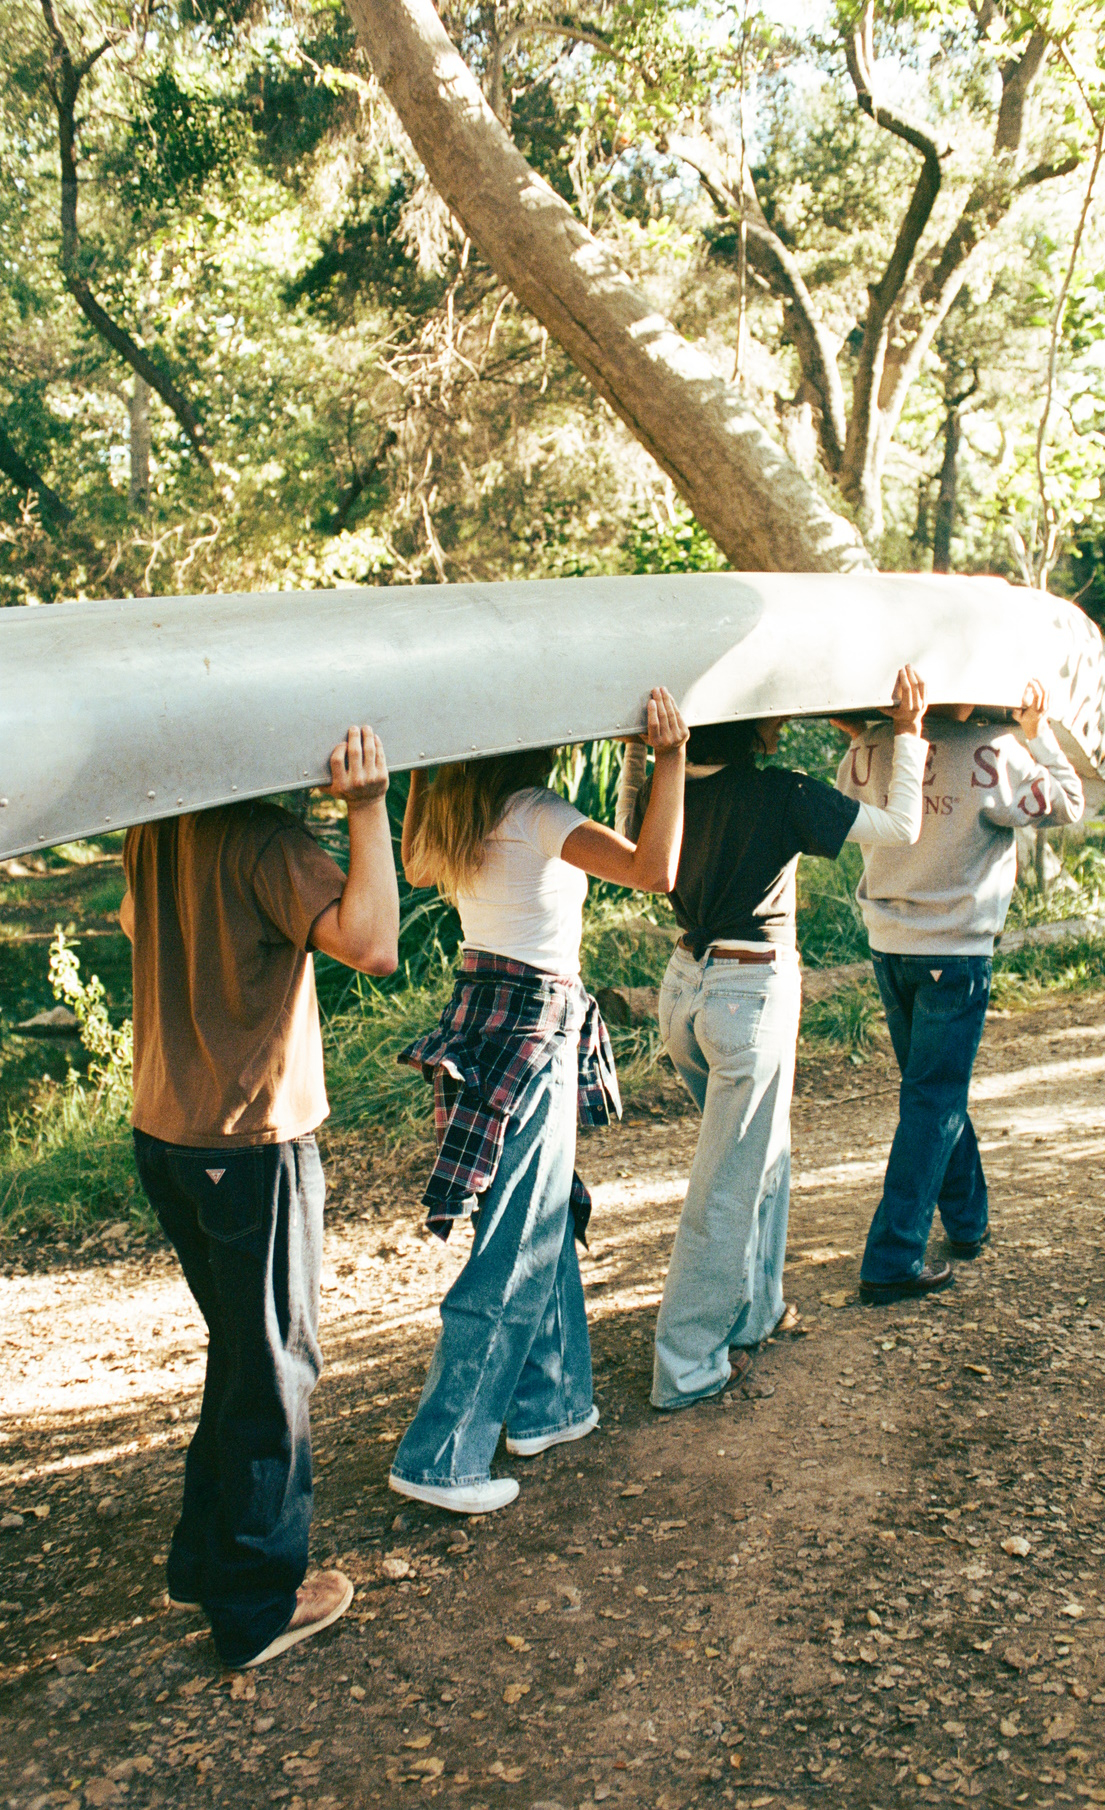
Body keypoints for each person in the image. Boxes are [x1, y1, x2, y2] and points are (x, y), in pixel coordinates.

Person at [120, 727, 399, 1669]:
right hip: (245, 1141)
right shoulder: (270, 843)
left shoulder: (157, 826)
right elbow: (374, 944)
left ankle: (210, 1562)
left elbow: (129, 924)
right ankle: (254, 1604)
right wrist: (367, 809)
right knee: (277, 1365)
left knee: (244, 1351)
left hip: (166, 1128)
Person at [390, 688, 689, 1516]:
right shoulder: (532, 809)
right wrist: (669, 758)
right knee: (515, 1239)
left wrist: (421, 760)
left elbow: (414, 866)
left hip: (484, 1008)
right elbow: (654, 872)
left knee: (539, 1211)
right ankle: (442, 1456)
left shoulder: (461, 806)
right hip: (531, 1020)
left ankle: (549, 1405)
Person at [617, 668, 929, 1412]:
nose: (781, 725)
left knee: (764, 1155)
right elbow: (900, 828)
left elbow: (634, 837)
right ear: (747, 724)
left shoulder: (671, 786)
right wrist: (910, 734)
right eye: (770, 714)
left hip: (685, 993)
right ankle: (686, 1366)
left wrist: (641, 750)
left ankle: (756, 1312)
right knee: (729, 1183)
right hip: (749, 994)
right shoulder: (782, 792)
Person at [836, 680, 1085, 1303]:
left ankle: (969, 1223)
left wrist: (873, 733)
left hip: (889, 945)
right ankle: (892, 1259)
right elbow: (1069, 803)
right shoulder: (997, 750)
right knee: (934, 1097)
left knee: (932, 1089)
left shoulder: (872, 747)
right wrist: (1038, 732)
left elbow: (847, 810)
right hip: (956, 947)